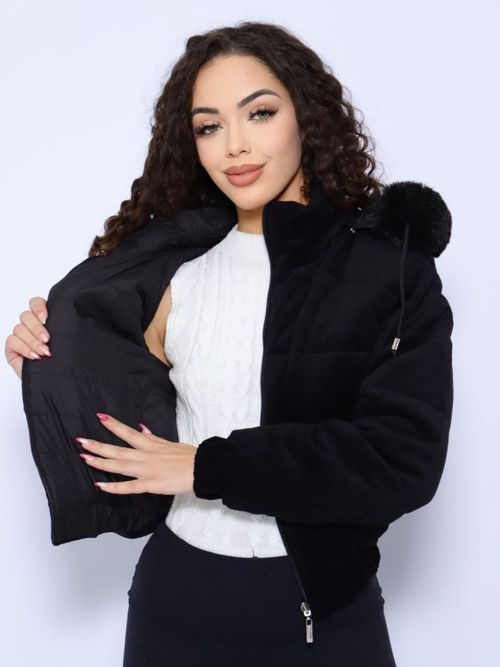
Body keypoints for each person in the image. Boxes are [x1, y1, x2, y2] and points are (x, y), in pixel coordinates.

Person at [4, 21, 454, 666]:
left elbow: (402, 461)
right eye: (208, 126)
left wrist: (206, 467)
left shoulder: (389, 269)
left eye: (259, 113)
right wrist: (53, 367)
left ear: (307, 117)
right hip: (175, 604)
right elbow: (132, 435)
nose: (234, 145)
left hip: (322, 613)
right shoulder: (171, 270)